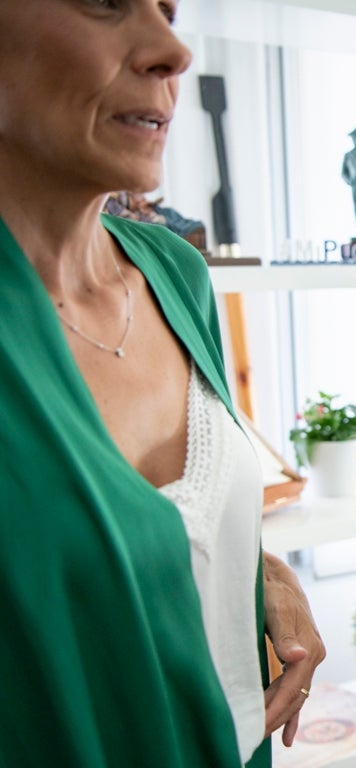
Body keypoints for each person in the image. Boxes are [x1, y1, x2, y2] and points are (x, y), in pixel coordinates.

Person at [0, 2, 325, 766]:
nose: (174, 50)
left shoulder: (175, 272)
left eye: (170, 8)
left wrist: (259, 569)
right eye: (106, 2)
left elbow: (156, 521)